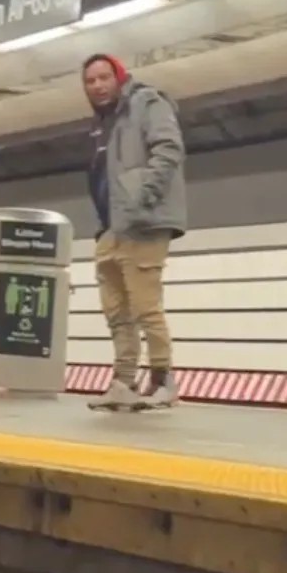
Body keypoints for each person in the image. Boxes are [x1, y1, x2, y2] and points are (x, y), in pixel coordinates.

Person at [81, 53, 187, 409]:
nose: (97, 85)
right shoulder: (102, 123)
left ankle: (162, 381)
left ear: (119, 76)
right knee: (116, 310)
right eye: (90, 81)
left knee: (145, 306)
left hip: (143, 221)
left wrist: (144, 197)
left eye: (103, 77)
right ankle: (124, 382)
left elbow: (169, 149)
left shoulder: (147, 102)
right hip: (110, 225)